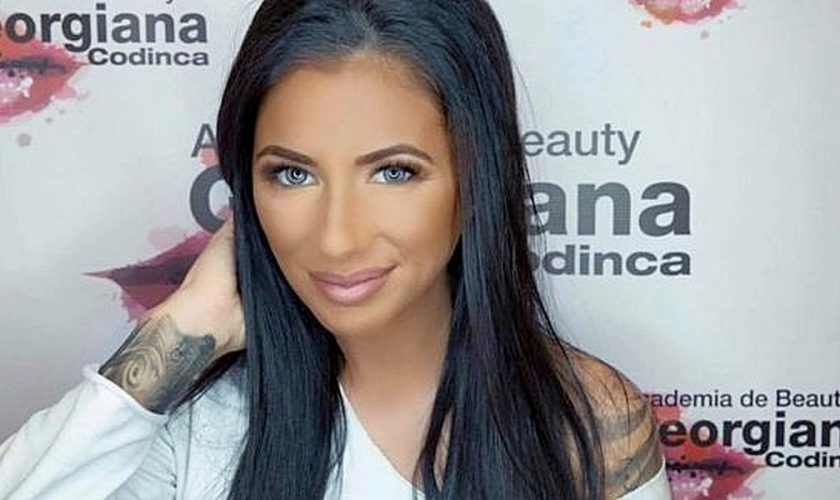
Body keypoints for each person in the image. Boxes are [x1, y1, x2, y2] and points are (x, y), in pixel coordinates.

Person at [0, 1, 672, 499]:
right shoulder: (200, 430)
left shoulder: (586, 424)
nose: (336, 238)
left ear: (475, 178)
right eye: (292, 174)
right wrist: (182, 328)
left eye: (394, 172)